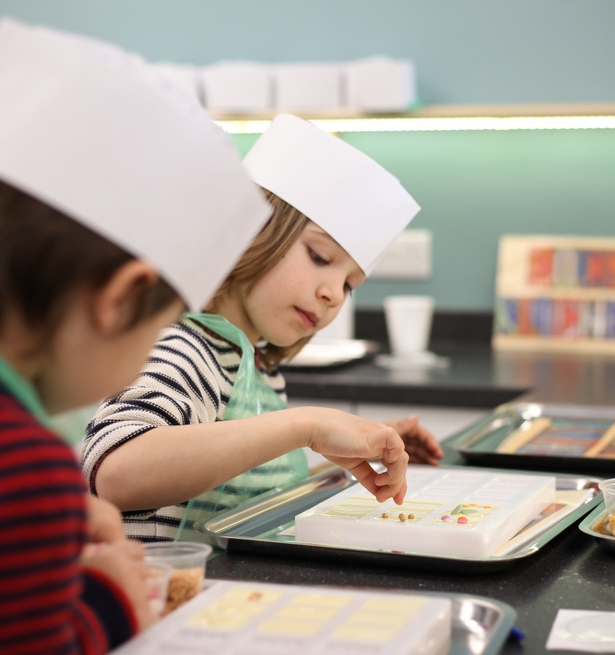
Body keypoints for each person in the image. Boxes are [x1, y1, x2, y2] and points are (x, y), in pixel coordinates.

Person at [0, 18, 286, 653]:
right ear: (117, 301)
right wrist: (108, 599)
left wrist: (37, 534)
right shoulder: (21, 474)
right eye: (157, 326)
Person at [82, 114, 442, 542]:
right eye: (321, 258)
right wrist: (305, 426)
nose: (333, 293)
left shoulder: (256, 370)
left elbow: (232, 495)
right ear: (249, 233)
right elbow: (117, 473)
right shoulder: (183, 348)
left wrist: (350, 452)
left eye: (349, 284)